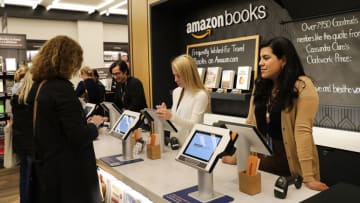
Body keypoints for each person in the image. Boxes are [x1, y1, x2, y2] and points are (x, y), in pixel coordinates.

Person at [221, 37, 328, 191]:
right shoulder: (260, 87)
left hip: (291, 170)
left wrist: (309, 178)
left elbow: (303, 132)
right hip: (261, 166)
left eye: (266, 58)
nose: (260, 63)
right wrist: (237, 158)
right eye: (260, 59)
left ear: (283, 60)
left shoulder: (302, 86)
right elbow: (250, 125)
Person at [28, 35, 104, 203]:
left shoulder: (40, 86)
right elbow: (77, 136)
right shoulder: (61, 89)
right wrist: (93, 126)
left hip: (49, 170)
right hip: (69, 176)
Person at [156, 54, 210, 145]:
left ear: (188, 74)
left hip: (191, 146)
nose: (175, 79)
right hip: (174, 142)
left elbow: (194, 125)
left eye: (179, 76)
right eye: (174, 75)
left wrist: (171, 116)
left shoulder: (201, 95)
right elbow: (178, 117)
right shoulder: (176, 92)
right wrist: (165, 113)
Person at [11, 71, 34, 203]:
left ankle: (24, 199)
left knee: (24, 173)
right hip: (32, 142)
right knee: (32, 174)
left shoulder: (16, 99)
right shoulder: (32, 101)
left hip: (20, 142)